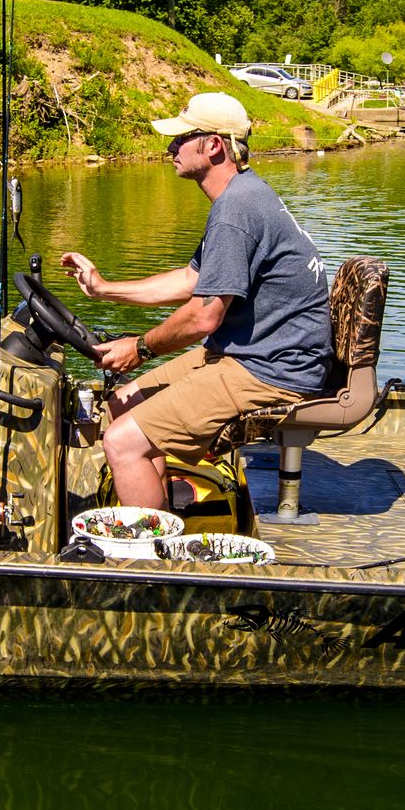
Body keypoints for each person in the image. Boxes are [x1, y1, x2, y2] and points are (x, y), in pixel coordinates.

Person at [60, 91, 334, 511]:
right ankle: (161, 515)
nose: (170, 147)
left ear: (213, 145)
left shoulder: (236, 211)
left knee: (122, 440)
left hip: (273, 368)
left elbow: (205, 316)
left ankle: (154, 565)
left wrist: (140, 348)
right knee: (119, 405)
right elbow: (193, 281)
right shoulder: (244, 195)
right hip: (254, 353)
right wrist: (103, 287)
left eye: (181, 138)